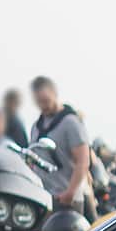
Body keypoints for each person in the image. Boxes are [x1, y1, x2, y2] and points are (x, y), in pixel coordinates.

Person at [29, 76, 94, 217]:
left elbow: (83, 161)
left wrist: (70, 192)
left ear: (54, 94)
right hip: (44, 199)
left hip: (67, 200)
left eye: (46, 101)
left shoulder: (71, 123)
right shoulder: (36, 127)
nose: (44, 106)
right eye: (39, 102)